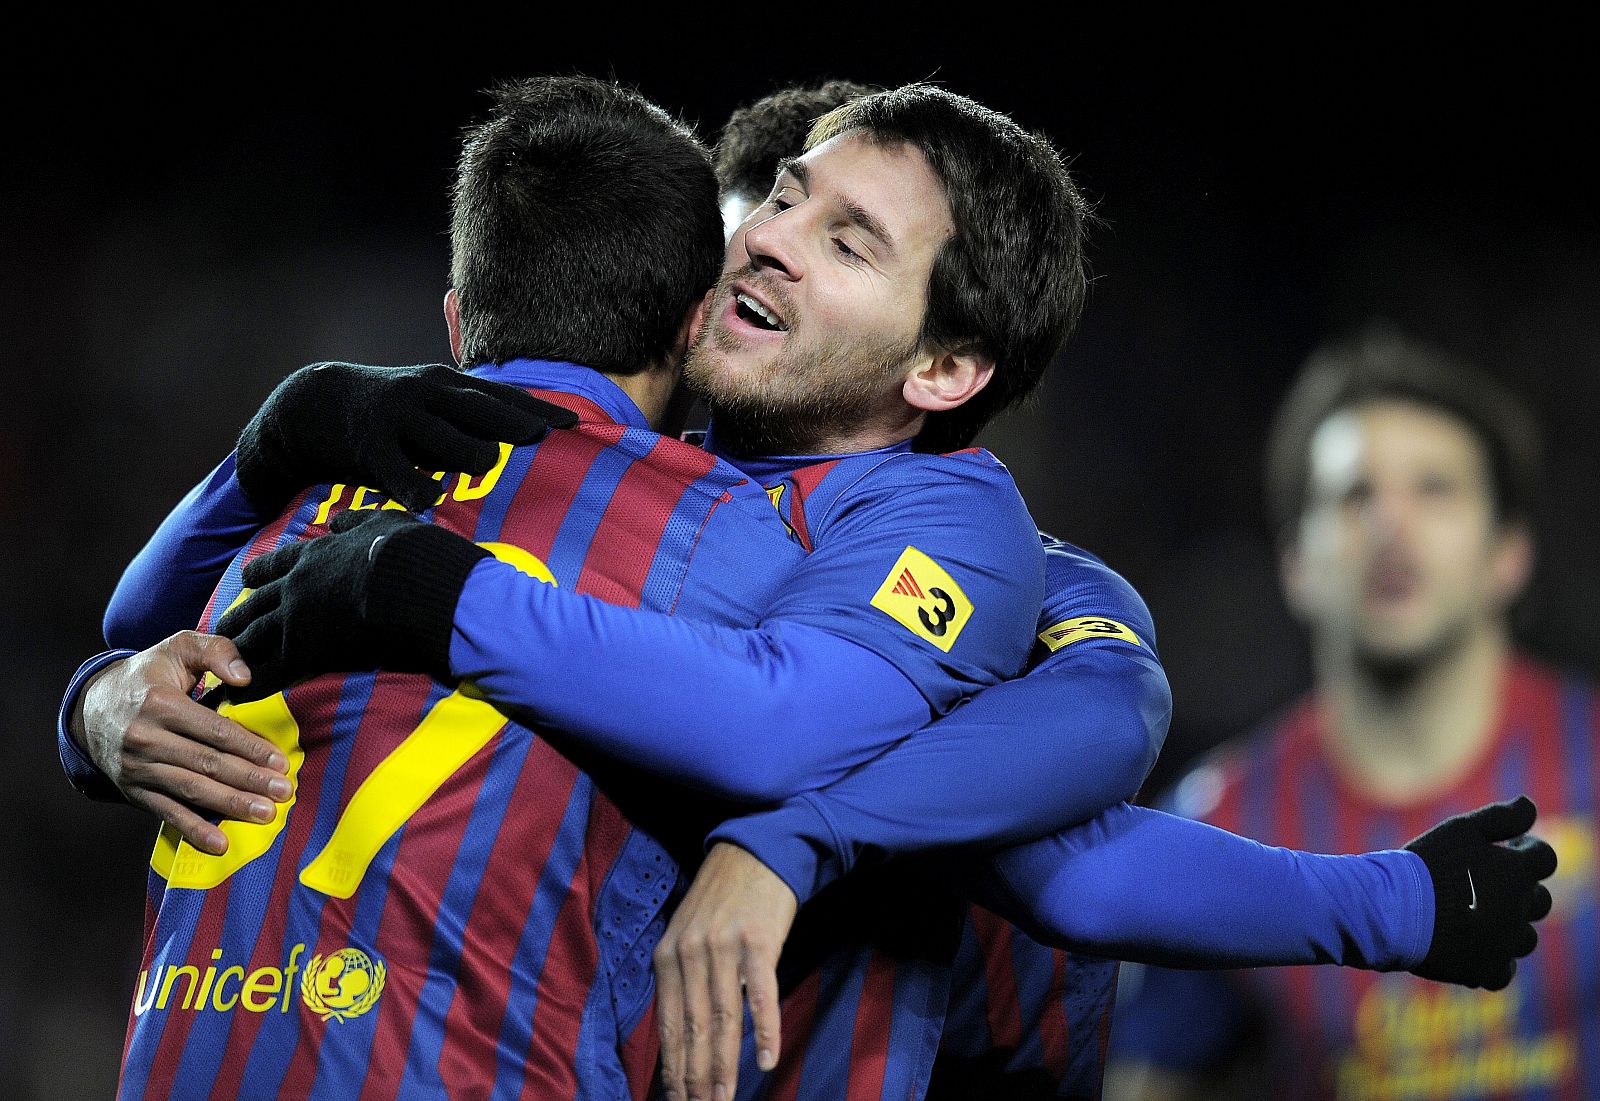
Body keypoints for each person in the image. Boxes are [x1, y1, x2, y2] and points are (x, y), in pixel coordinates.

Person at [61, 83, 1553, 1101]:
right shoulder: (629, 477)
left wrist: (793, 839)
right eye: (766, 209)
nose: (759, 249)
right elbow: (186, 641)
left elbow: (1098, 749)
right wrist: (107, 696)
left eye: (843, 241)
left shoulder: (959, 531)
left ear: (942, 367)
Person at [1106, 326, 1597, 1101]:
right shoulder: (1220, 826)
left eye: (1435, 487)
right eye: (1354, 494)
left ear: (1508, 551)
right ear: (1296, 563)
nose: (1390, 524)